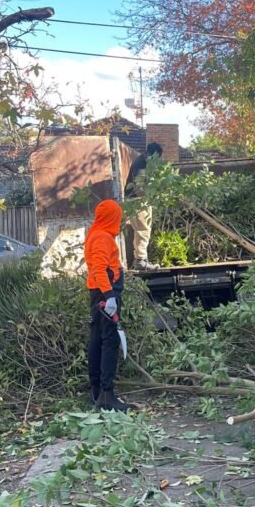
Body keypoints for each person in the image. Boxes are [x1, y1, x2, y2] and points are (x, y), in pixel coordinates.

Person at [85, 199, 130, 412]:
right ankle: (106, 394)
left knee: (96, 341)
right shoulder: (103, 238)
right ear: (112, 217)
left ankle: (96, 391)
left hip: (98, 296)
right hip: (105, 296)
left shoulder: (95, 234)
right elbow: (99, 270)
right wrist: (110, 295)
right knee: (109, 342)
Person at [125, 141, 163, 270]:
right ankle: (141, 261)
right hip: (138, 201)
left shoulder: (140, 161)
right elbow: (139, 188)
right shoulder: (142, 165)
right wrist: (152, 194)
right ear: (150, 154)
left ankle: (140, 260)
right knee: (143, 229)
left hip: (134, 200)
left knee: (140, 230)